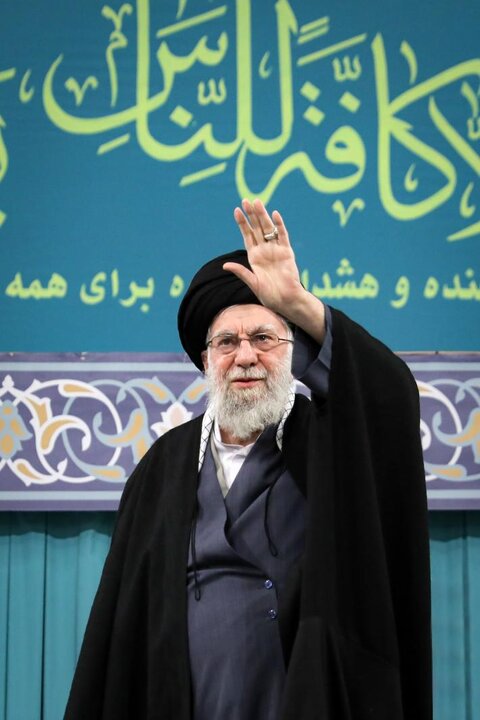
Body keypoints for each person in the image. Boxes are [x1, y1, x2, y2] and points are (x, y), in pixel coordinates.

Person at [64, 200, 432, 720]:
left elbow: (390, 398)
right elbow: (122, 629)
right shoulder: (164, 465)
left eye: (264, 338)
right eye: (227, 342)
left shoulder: (328, 441)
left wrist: (299, 304)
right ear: (206, 360)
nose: (245, 356)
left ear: (294, 353)